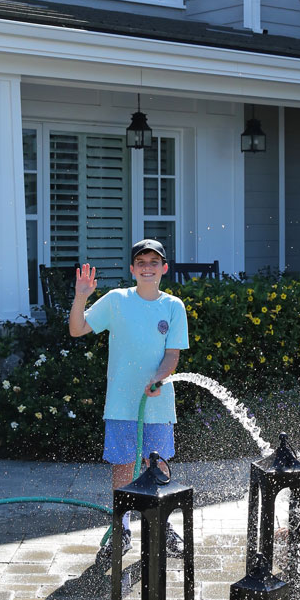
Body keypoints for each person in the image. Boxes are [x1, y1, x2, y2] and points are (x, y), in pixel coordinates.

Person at [69, 239, 189, 561]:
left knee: (158, 466)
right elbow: (77, 329)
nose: (147, 268)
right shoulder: (116, 301)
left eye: (154, 262)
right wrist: (81, 296)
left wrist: (158, 378)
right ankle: (121, 530)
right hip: (122, 403)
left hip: (158, 403)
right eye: (141, 262)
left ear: (164, 268)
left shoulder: (173, 306)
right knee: (123, 468)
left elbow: (172, 354)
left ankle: (161, 527)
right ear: (133, 269)